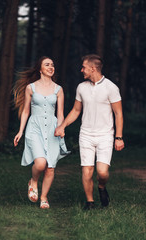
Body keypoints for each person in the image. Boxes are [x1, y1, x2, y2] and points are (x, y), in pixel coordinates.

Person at [55, 54, 124, 210]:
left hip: (105, 135)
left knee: (102, 172)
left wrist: (118, 137)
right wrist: (62, 126)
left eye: (84, 67)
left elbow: (118, 114)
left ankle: (101, 187)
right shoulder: (81, 87)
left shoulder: (111, 88)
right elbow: (76, 110)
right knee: (87, 170)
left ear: (93, 68)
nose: (81, 70)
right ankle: (90, 202)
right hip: (85, 134)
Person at [13, 56, 69, 209]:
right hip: (35, 128)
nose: (51, 67)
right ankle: (33, 181)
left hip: (52, 129)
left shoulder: (59, 89)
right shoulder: (31, 88)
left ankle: (43, 197)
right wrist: (20, 131)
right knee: (40, 163)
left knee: (50, 167)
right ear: (40, 69)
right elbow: (25, 111)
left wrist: (61, 127)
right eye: (47, 64)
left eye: (52, 65)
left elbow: (61, 113)